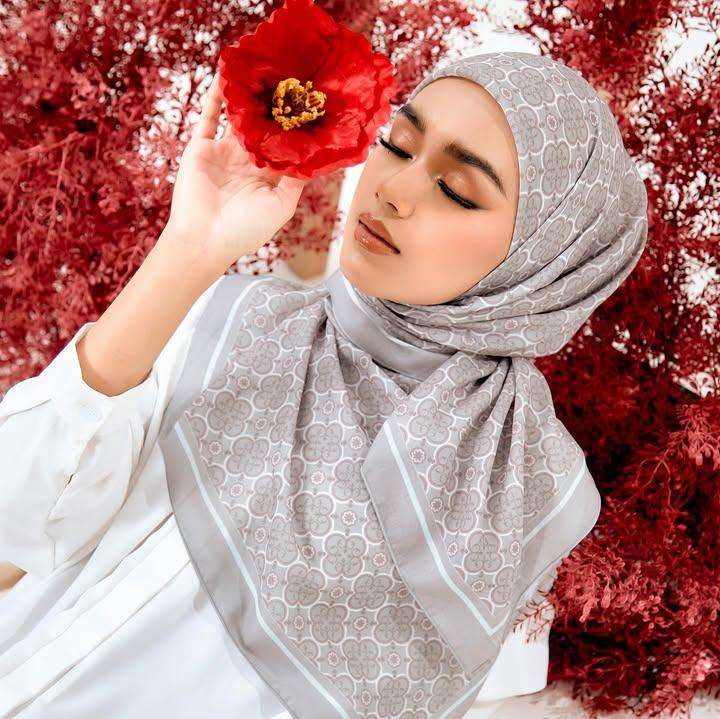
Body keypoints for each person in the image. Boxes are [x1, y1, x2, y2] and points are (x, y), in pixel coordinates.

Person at [0, 49, 648, 719]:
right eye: (398, 145)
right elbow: (10, 533)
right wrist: (188, 251)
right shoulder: (230, 322)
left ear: (545, 264)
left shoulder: (512, 487)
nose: (394, 189)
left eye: (457, 190)